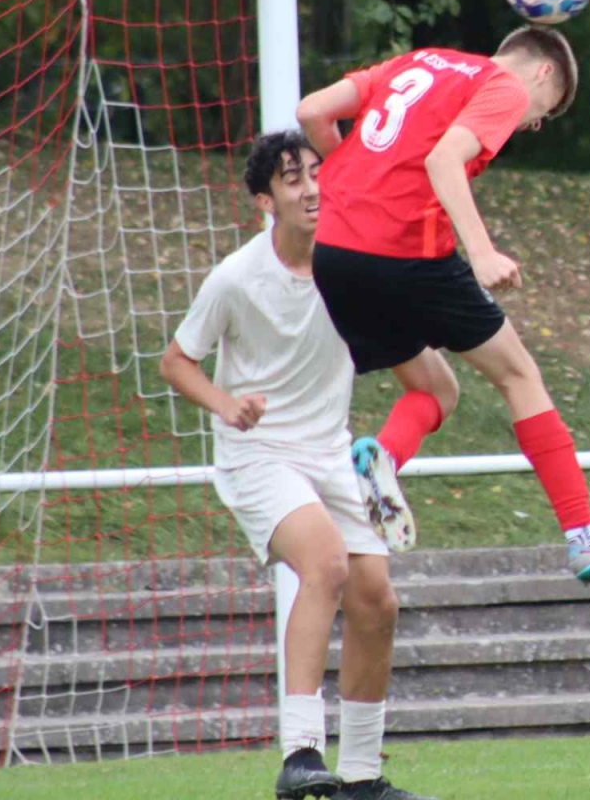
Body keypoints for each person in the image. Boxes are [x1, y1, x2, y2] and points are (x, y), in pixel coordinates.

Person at [295, 27, 590, 587]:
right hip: (407, 254)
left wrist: (353, 176)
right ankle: (584, 538)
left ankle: (382, 458)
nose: (533, 124)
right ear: (543, 72)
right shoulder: (504, 86)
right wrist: (482, 252)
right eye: (545, 111)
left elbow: (312, 110)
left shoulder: (419, 60)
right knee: (520, 376)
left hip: (336, 254)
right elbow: (444, 159)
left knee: (436, 391)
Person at [160, 132, 429, 800]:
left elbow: (425, 375)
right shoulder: (236, 278)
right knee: (327, 563)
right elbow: (176, 361)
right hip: (258, 455)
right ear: (265, 201)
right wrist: (227, 405)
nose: (311, 189)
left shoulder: (350, 267)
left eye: (316, 172)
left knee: (377, 601)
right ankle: (301, 754)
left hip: (332, 453)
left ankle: (362, 776)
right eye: (292, 179)